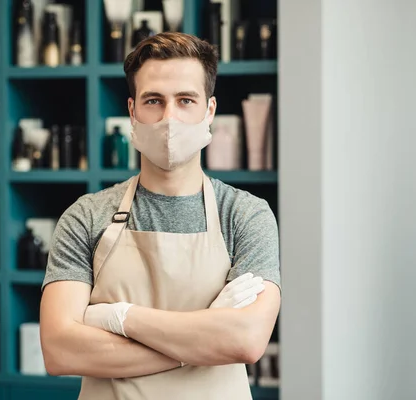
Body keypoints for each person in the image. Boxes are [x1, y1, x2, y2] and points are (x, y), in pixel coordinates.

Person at [39, 32, 281, 400]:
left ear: (210, 110)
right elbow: (59, 350)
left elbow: (246, 341)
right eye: (154, 101)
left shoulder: (245, 215)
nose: (170, 118)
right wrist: (202, 341)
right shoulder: (86, 216)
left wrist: (118, 317)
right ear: (133, 110)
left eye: (186, 100)